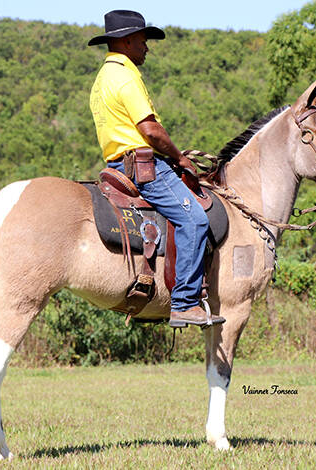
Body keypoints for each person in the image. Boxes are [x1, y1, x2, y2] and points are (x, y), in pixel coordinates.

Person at [88, 10, 224, 328]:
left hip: (117, 162)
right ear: (126, 41)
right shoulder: (126, 75)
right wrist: (179, 158)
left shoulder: (102, 78)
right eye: (143, 40)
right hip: (144, 165)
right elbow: (150, 130)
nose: (147, 47)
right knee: (194, 219)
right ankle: (185, 303)